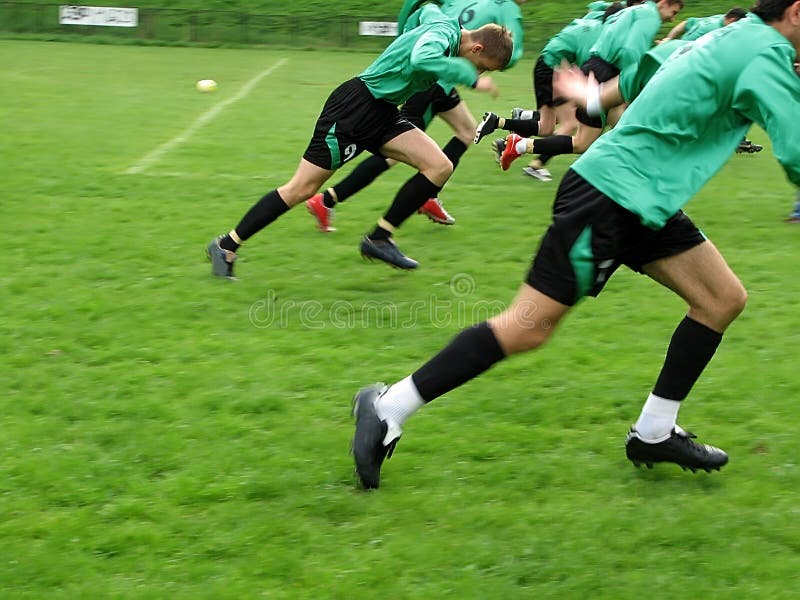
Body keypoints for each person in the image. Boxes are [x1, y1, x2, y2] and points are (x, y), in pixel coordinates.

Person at [351, 0, 800, 490]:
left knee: (721, 299)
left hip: (642, 195)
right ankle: (388, 404)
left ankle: (653, 433)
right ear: (796, 12)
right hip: (612, 195)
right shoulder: (763, 52)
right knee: (527, 327)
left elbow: (642, 72)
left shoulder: (726, 36)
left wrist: (588, 97)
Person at [206, 4, 513, 278]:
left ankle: (379, 238)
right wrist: (469, 76)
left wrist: (407, 34)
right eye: (483, 65)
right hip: (354, 108)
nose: (480, 71)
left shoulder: (445, 25)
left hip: (384, 111)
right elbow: (422, 57)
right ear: (477, 48)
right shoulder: (444, 37)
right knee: (301, 188)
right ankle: (226, 245)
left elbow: (426, 8)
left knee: (439, 166)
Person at [305, 0, 526, 236]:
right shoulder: (507, 8)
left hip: (444, 81)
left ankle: (429, 193)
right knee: (395, 153)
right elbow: (514, 54)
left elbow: (420, 5)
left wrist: (406, 34)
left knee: (467, 131)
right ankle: (328, 199)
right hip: (431, 81)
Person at [479, 0, 684, 172]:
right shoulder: (650, 16)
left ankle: (520, 144)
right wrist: (632, 83)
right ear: (664, 2)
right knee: (594, 132)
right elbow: (631, 52)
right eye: (673, 12)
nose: (672, 18)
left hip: (594, 68)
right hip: (606, 76)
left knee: (585, 139)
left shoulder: (629, 10)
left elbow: (604, 20)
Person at [474, 2, 628, 182]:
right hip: (553, 68)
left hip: (550, 64)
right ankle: (533, 162)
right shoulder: (603, 39)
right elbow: (591, 71)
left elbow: (596, 6)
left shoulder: (596, 19)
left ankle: (504, 123)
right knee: (567, 125)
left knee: (552, 125)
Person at [659, 6, 747, 42]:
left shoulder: (719, 17)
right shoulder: (718, 31)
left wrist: (669, 38)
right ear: (732, 19)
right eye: (738, 24)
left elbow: (685, 23)